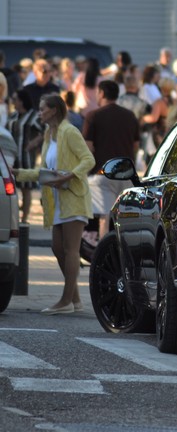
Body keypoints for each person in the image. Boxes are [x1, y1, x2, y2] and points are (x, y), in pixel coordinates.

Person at [13, 93, 95, 315]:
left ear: (55, 110)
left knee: (70, 251)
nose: (39, 112)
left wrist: (68, 176)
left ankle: (66, 301)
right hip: (58, 201)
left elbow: (89, 159)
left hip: (73, 198)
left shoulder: (69, 132)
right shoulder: (50, 134)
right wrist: (18, 174)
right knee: (57, 248)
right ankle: (75, 299)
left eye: (42, 109)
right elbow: (46, 173)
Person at [84, 80, 140, 240]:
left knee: (104, 218)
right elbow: (136, 145)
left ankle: (105, 256)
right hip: (126, 173)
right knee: (123, 219)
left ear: (101, 93)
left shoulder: (93, 116)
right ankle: (125, 255)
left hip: (101, 173)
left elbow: (88, 147)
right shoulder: (130, 116)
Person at [7, 89, 42, 223]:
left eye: (15, 99)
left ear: (21, 101)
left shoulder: (33, 116)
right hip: (11, 156)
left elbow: (44, 131)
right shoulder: (13, 116)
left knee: (26, 187)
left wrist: (34, 143)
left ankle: (24, 219)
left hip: (26, 156)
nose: (13, 102)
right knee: (11, 187)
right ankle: (13, 217)